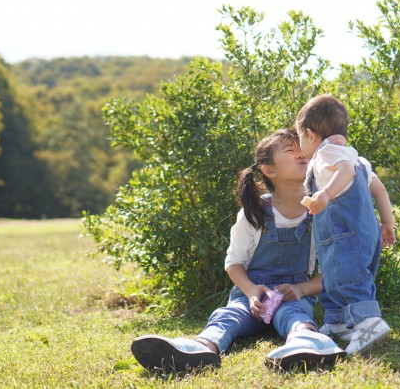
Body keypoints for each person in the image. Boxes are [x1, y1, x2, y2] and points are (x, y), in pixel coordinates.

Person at [131, 129, 346, 372]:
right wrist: (252, 291)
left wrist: (301, 289)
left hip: (292, 296)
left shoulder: (319, 212)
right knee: (228, 316)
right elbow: (234, 263)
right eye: (290, 150)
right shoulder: (254, 212)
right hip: (250, 297)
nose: (301, 155)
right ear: (269, 170)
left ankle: (307, 344)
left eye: (302, 149)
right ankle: (200, 348)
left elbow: (332, 271)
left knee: (295, 317)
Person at [295, 94, 396, 356]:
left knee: (350, 278)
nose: (300, 147)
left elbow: (344, 172)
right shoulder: (359, 159)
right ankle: (337, 322)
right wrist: (387, 223)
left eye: (300, 139)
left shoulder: (326, 152)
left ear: (310, 134)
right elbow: (380, 190)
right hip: (363, 233)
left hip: (344, 233)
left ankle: (368, 322)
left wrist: (325, 194)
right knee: (336, 277)